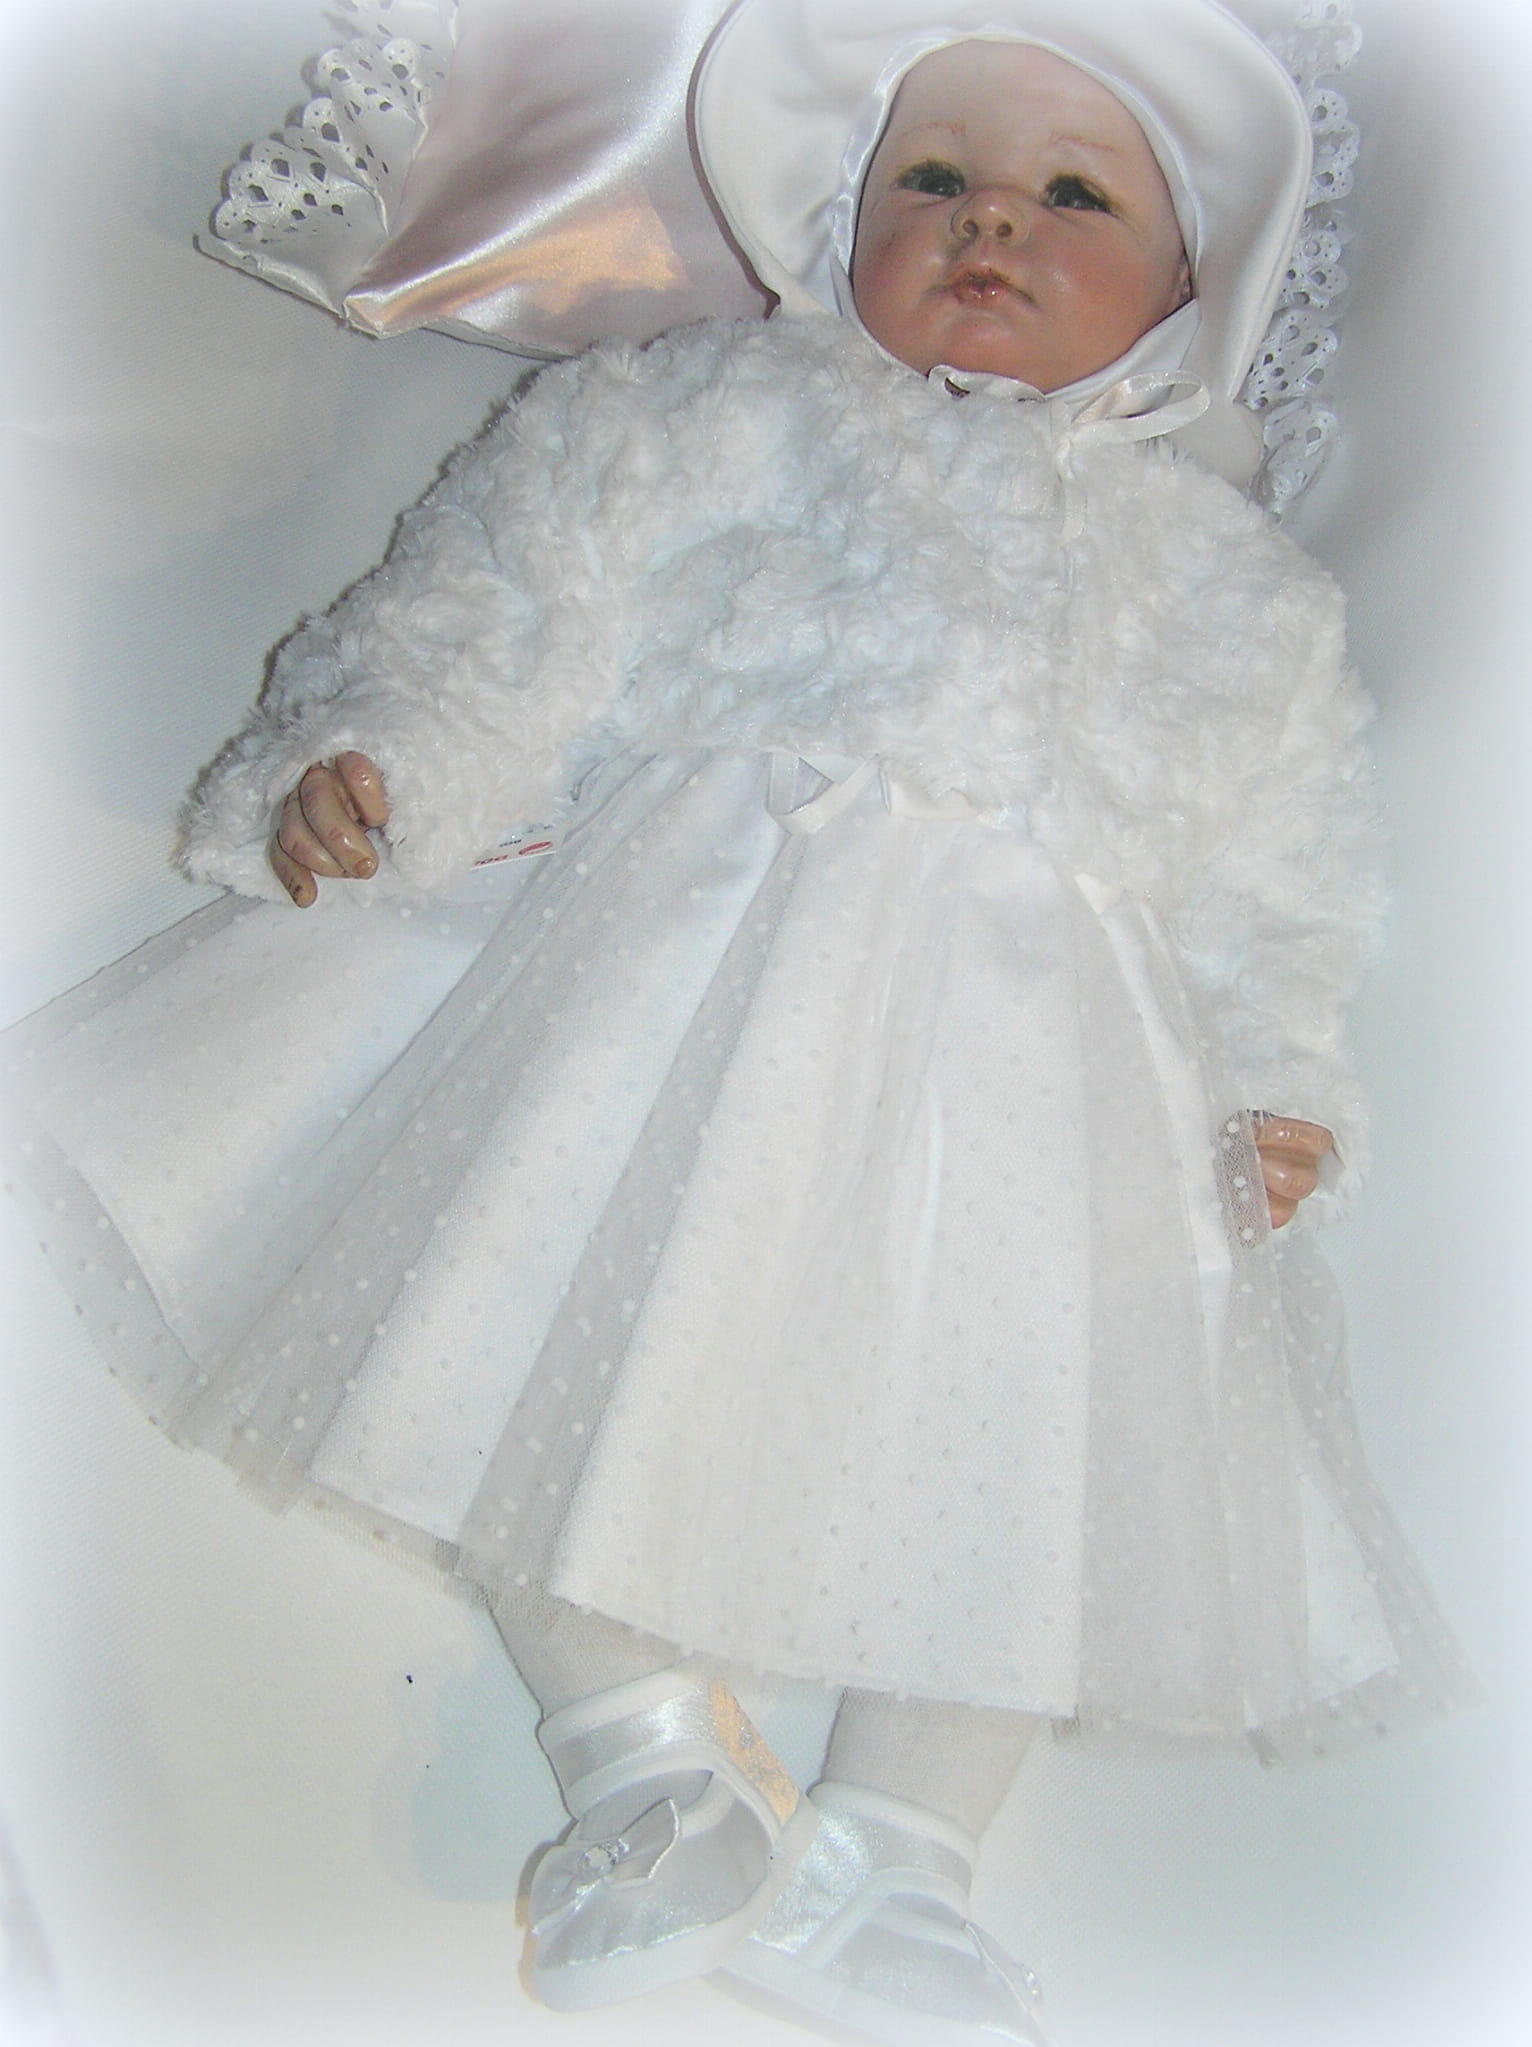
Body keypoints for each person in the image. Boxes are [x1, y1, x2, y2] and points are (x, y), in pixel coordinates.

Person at [0, 3, 1474, 2042]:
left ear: (1183, 289)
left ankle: (900, 1860)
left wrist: (1274, 1075)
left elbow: (1282, 871)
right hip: (677, 963)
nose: (991, 224)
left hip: (1048, 1075)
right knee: (518, 1300)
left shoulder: (1239, 593)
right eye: (932, 178)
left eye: (1075, 194)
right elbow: (499, 607)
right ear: (840, 219)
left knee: (1043, 1435)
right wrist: (380, 755)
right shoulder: (703, 415)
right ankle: (644, 1758)